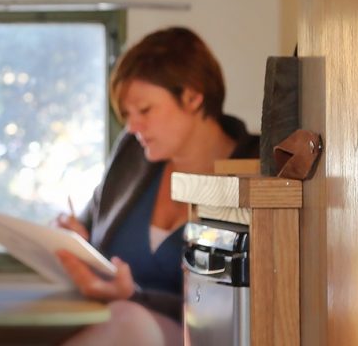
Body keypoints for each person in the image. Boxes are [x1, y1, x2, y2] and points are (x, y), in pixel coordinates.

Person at [55, 27, 259, 345]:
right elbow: (89, 229)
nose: (132, 126)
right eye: (127, 114)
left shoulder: (260, 169)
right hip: (111, 326)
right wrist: (71, 239)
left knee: (128, 320)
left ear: (193, 97)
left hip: (209, 337)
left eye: (145, 110)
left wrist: (134, 297)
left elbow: (247, 301)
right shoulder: (131, 154)